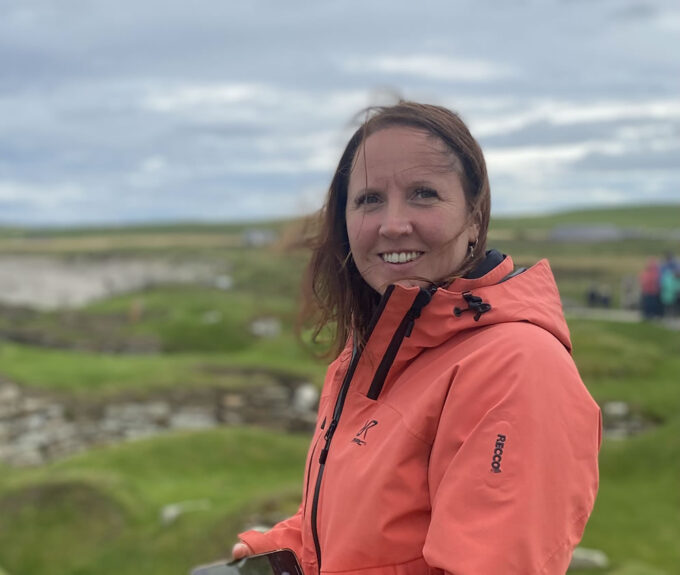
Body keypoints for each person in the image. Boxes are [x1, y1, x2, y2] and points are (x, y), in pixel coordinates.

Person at [230, 102, 600, 574]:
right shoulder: (372, 351)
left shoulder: (517, 367)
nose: (393, 224)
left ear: (473, 217)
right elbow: (369, 528)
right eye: (369, 199)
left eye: (423, 194)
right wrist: (285, 551)